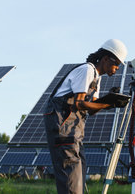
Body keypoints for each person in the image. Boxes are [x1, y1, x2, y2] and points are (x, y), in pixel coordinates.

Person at [43, 39, 128, 194]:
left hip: (74, 131)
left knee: (78, 173)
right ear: (105, 59)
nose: (116, 69)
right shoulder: (87, 70)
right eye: (116, 64)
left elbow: (92, 109)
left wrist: (111, 100)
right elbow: (79, 104)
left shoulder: (96, 78)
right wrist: (107, 104)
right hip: (63, 127)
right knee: (70, 174)